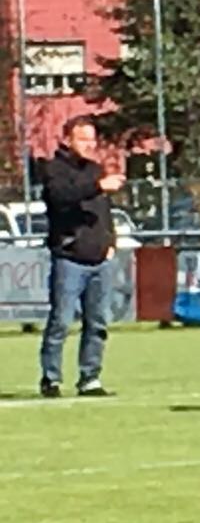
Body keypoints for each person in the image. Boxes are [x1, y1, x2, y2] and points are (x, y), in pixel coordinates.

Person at [40, 116, 124, 398]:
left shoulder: (95, 169)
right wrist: (98, 186)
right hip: (69, 259)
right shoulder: (54, 169)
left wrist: (110, 242)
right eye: (83, 139)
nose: (89, 144)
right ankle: (51, 378)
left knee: (97, 323)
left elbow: (103, 213)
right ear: (68, 140)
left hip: (100, 261)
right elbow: (61, 197)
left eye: (92, 139)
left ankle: (90, 378)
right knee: (61, 321)